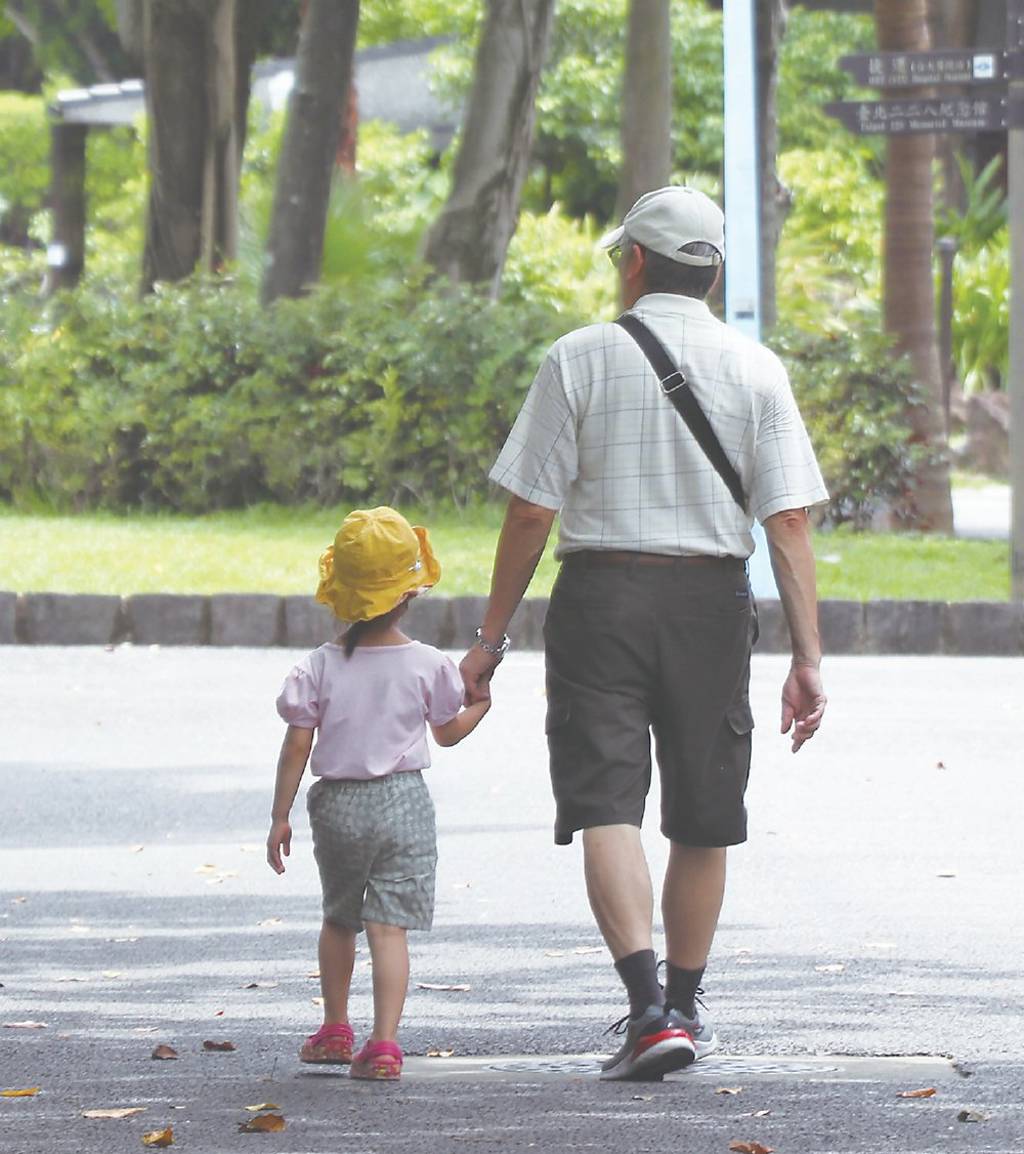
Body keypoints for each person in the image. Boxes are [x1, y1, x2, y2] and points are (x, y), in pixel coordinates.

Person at [460, 186, 829, 1082]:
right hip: (709, 606)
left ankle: (646, 1008)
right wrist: (808, 658)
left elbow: (528, 512)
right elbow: (787, 524)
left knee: (607, 802)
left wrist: (490, 639)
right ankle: (687, 1009)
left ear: (633, 262)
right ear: (711, 271)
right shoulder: (757, 369)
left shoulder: (578, 359)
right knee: (704, 811)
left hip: (600, 599)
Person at [267, 506, 490, 1081]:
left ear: (339, 593)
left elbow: (296, 746)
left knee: (340, 917)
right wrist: (480, 708)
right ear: (410, 593)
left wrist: (280, 816)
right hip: (404, 805)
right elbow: (446, 732)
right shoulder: (426, 665)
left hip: (339, 805)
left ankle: (336, 1026)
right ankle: (385, 1044)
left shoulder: (318, 667)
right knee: (388, 927)